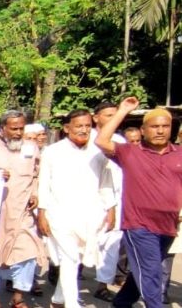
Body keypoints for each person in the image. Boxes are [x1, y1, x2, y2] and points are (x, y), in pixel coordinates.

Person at [95, 97, 181, 308]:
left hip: (168, 225)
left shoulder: (179, 154)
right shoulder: (130, 152)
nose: (160, 131)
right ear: (143, 130)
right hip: (139, 225)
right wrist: (122, 110)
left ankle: (121, 303)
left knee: (144, 269)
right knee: (152, 272)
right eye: (154, 126)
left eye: (165, 126)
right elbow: (101, 140)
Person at [38, 109, 115, 308]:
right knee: (69, 257)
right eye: (79, 126)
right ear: (67, 128)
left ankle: (57, 299)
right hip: (59, 214)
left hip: (90, 214)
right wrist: (42, 214)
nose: (84, 130)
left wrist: (111, 209)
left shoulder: (98, 151)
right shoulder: (52, 152)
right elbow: (43, 184)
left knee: (75, 258)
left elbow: (106, 183)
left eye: (88, 126)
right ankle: (72, 303)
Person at [0, 110, 44, 308]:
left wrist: (35, 194)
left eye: (21, 128)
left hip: (23, 212)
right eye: (14, 129)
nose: (18, 133)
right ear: (3, 129)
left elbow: (37, 175)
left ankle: (18, 297)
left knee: (28, 252)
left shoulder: (31, 148)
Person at [90, 102, 127, 302]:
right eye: (108, 115)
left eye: (116, 115)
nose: (113, 118)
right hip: (89, 199)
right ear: (96, 117)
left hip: (117, 199)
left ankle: (102, 285)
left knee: (111, 244)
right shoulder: (85, 138)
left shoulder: (120, 141)